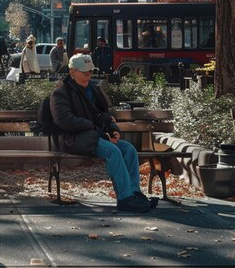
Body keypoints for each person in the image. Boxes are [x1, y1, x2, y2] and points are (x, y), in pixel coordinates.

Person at [49, 53, 156, 212]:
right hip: (72, 139)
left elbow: (104, 114)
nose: (88, 75)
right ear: (72, 72)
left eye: (90, 71)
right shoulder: (61, 92)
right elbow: (64, 120)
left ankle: (134, 193)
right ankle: (125, 198)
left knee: (128, 149)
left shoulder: (93, 89)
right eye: (84, 71)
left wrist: (113, 129)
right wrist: (94, 126)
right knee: (113, 151)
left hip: (92, 136)